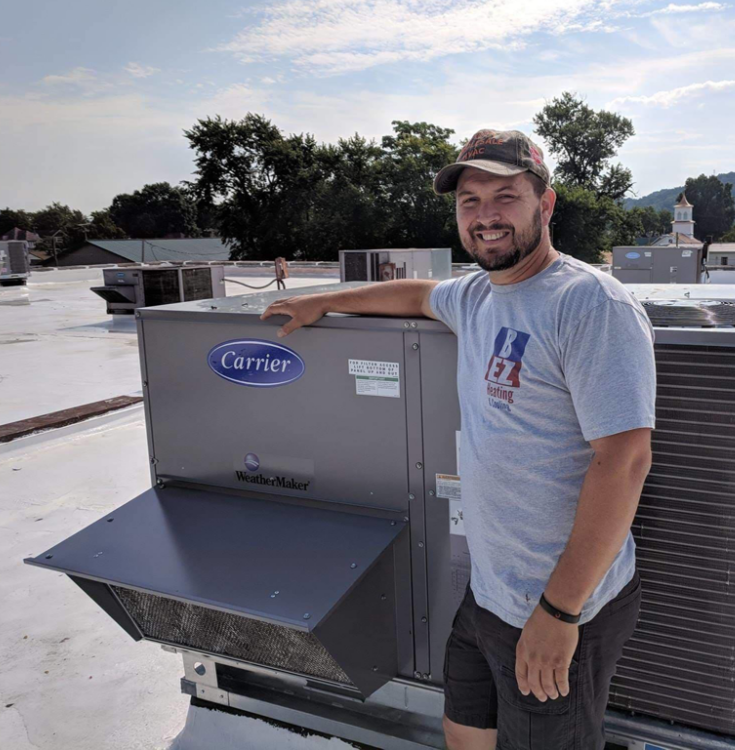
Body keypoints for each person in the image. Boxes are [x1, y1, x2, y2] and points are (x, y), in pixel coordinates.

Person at [261, 129, 656, 750]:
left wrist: (559, 612)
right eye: (470, 202)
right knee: (463, 734)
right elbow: (418, 293)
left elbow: (625, 460)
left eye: (505, 197)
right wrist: (324, 302)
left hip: (559, 602)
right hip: (490, 592)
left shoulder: (589, 304)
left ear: (545, 205)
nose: (485, 216)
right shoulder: (475, 295)